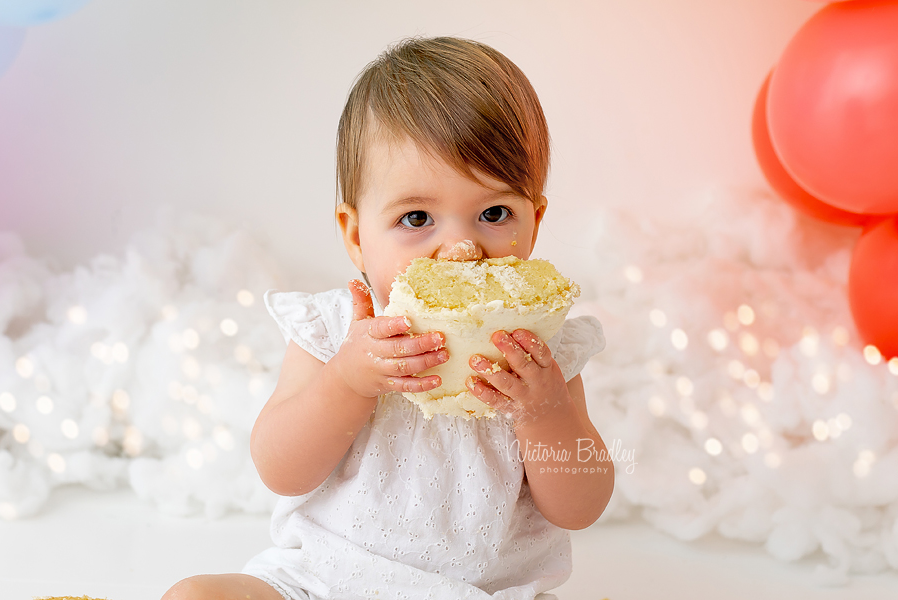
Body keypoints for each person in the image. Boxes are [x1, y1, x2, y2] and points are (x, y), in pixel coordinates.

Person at [162, 36, 614, 600]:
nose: (460, 249)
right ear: (356, 234)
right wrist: (345, 382)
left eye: (494, 213)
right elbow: (281, 470)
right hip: (326, 581)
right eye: (417, 217)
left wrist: (544, 412)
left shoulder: (539, 349)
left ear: (535, 222)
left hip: (485, 590)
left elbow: (580, 507)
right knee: (195, 595)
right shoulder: (334, 331)